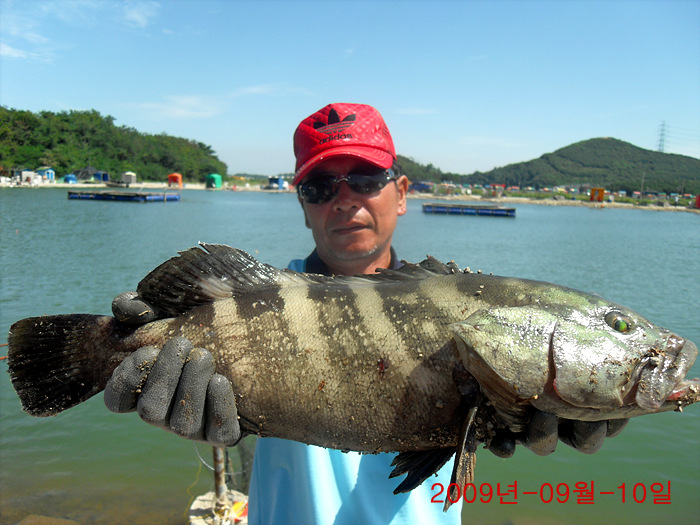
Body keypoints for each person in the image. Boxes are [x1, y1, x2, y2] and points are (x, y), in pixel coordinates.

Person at [105, 103, 628, 524]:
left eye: (365, 178)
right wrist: (192, 410)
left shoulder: (458, 302)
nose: (344, 198)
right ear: (303, 205)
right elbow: (205, 398)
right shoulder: (252, 301)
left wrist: (523, 409)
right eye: (319, 187)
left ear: (401, 193)